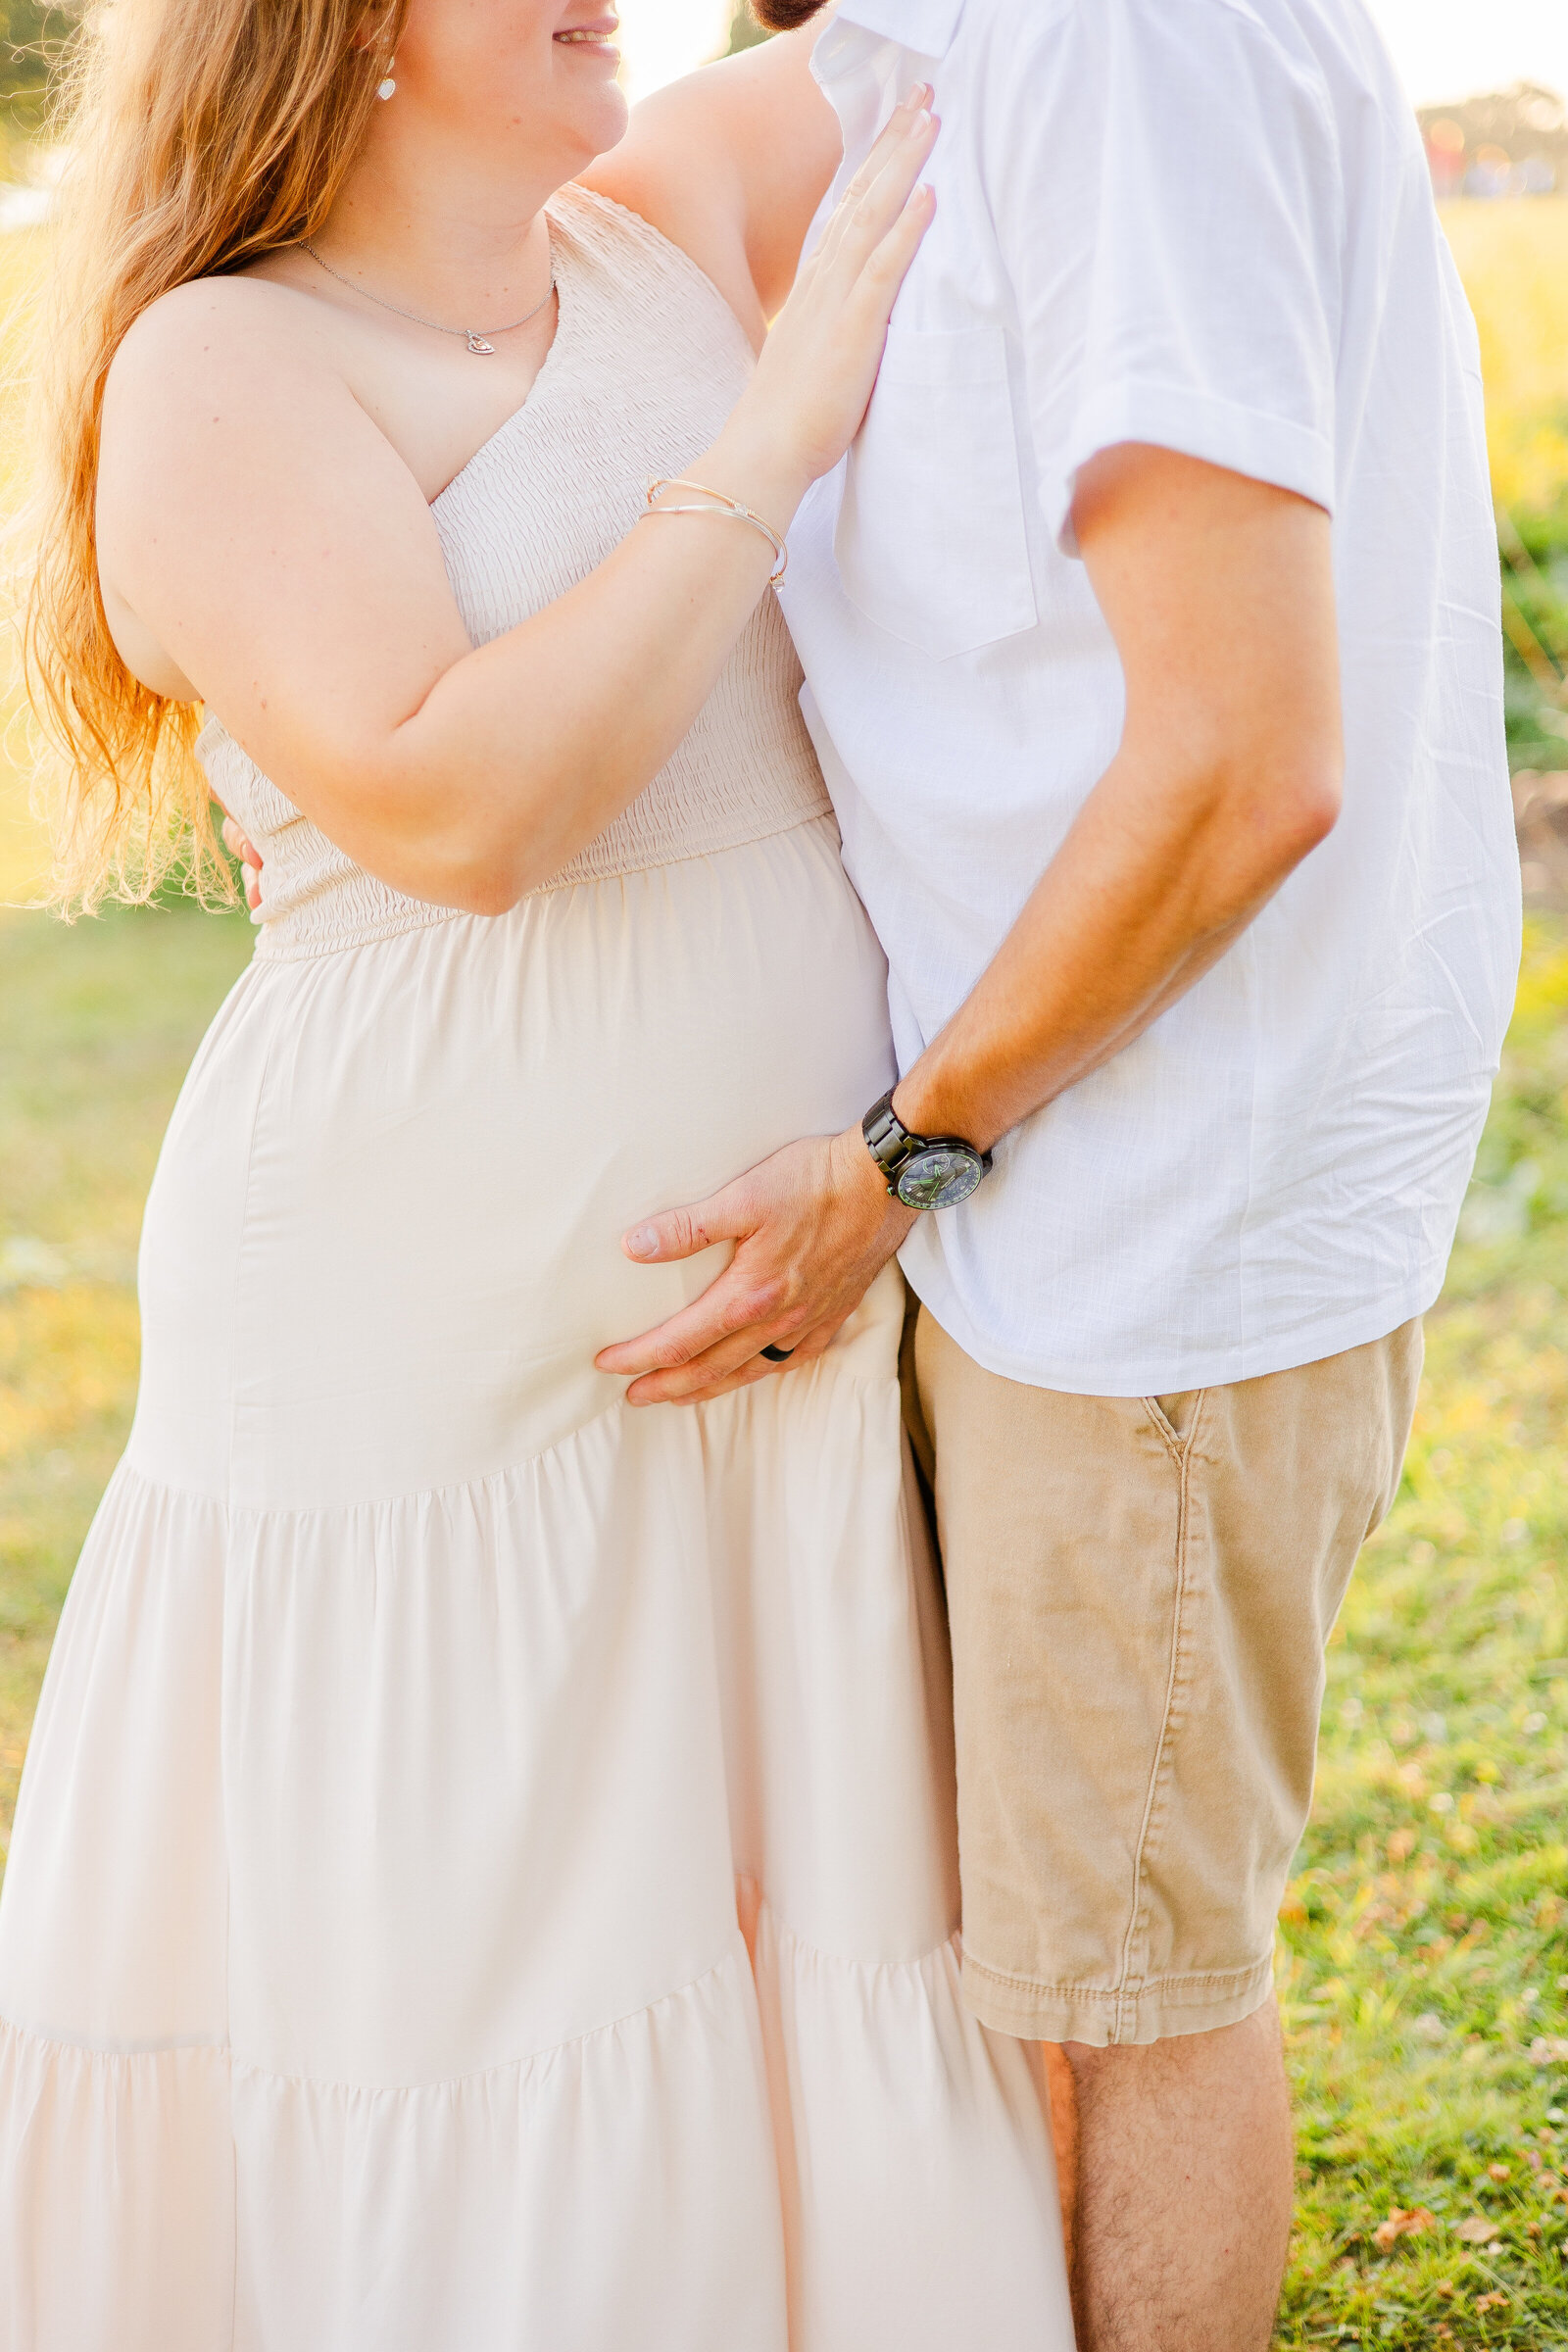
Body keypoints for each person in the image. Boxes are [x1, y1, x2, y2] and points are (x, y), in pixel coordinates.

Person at [0, 7, 1077, 2347]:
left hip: (767, 1306)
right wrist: (776, 428)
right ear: (343, 32)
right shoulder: (226, 366)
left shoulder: (655, 233)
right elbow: (460, 813)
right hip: (423, 1320)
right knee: (475, 1944)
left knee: (755, 1901)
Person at [598, 3, 1522, 2347]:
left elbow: (1241, 756)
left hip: (1139, 1216)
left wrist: (906, 1150)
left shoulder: (1112, 36)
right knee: (1043, 1975)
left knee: (1113, 1999)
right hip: (1069, 1180)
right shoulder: (955, 44)